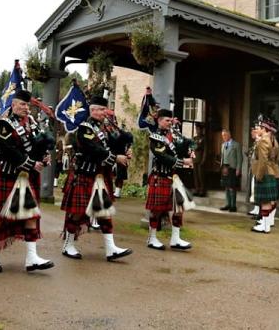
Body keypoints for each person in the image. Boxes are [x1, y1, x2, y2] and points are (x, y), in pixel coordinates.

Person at [0, 89, 55, 273]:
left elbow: (37, 143)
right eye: (22, 104)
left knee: (31, 215)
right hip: (7, 174)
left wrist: (44, 156)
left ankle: (32, 258)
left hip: (25, 177)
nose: (26, 108)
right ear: (13, 105)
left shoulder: (32, 123)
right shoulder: (4, 123)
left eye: (28, 105)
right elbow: (8, 149)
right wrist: (30, 163)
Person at [60, 96, 133, 262]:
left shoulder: (106, 129)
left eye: (104, 109)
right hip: (85, 175)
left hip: (99, 176)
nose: (103, 112)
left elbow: (114, 145)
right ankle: (68, 245)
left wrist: (125, 150)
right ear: (92, 110)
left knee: (105, 212)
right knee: (77, 213)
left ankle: (111, 249)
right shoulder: (84, 129)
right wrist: (115, 157)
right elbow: (94, 149)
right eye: (100, 109)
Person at [145, 109, 195, 251]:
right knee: (157, 210)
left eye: (170, 120)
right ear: (159, 120)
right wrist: (183, 162)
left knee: (179, 208)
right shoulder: (155, 137)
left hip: (174, 178)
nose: (169, 123)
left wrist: (191, 149)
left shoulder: (174, 134)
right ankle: (152, 238)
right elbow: (163, 157)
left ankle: (175, 238)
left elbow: (188, 142)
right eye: (167, 120)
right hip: (160, 176)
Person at [250, 115, 279, 233]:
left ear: (265, 129)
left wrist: (259, 175)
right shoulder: (273, 141)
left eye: (260, 127)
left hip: (265, 172)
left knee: (265, 201)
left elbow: (263, 160)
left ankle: (264, 226)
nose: (258, 129)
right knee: (268, 200)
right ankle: (266, 224)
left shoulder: (264, 141)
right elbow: (278, 159)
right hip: (272, 171)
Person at [219, 128, 241, 212]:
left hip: (232, 168)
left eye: (225, 135)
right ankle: (227, 204)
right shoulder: (223, 145)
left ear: (229, 134)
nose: (223, 137)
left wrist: (238, 169)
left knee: (232, 187)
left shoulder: (236, 145)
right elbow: (222, 156)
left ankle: (233, 205)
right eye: (222, 135)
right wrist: (221, 166)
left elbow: (239, 158)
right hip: (225, 168)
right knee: (226, 187)